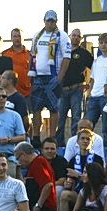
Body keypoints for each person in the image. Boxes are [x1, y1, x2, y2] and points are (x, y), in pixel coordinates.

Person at [29, 10, 71, 146]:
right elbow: (32, 55)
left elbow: (67, 57)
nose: (50, 23)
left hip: (53, 76)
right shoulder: (37, 35)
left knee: (54, 108)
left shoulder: (62, 36)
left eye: (52, 21)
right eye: (48, 20)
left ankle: (52, 136)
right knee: (36, 108)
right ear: (44, 21)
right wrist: (31, 72)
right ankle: (36, 136)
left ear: (56, 22)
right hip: (38, 76)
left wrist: (60, 77)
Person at [56, 29, 94, 147]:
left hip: (77, 89)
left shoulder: (84, 53)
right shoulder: (61, 52)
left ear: (81, 39)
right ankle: (59, 144)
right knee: (59, 119)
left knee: (76, 119)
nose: (76, 38)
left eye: (78, 36)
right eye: (74, 35)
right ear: (69, 36)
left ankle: (75, 144)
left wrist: (89, 84)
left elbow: (96, 68)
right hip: (62, 90)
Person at [85, 33, 107, 147]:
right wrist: (89, 94)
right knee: (87, 125)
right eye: (101, 43)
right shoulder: (96, 61)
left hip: (106, 97)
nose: (103, 45)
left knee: (106, 128)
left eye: (106, 42)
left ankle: (106, 150)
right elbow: (93, 79)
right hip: (94, 97)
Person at [59, 128, 104, 211]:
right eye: (82, 138)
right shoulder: (73, 160)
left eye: (88, 139)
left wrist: (78, 175)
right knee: (64, 194)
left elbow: (98, 180)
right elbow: (70, 179)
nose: (85, 141)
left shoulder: (97, 159)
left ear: (92, 142)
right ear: (77, 141)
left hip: (93, 193)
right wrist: (67, 184)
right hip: (78, 192)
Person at [2, 28, 31, 101]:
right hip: (9, 93)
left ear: (23, 38)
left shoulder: (30, 54)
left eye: (19, 36)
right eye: (15, 36)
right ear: (11, 38)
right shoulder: (5, 54)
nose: (17, 38)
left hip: (27, 93)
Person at [40, 137, 68, 205]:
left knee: (58, 190)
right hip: (39, 187)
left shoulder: (62, 161)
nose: (49, 151)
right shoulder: (37, 161)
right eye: (46, 148)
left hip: (54, 186)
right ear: (42, 150)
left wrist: (47, 186)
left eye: (52, 149)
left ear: (57, 150)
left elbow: (62, 181)